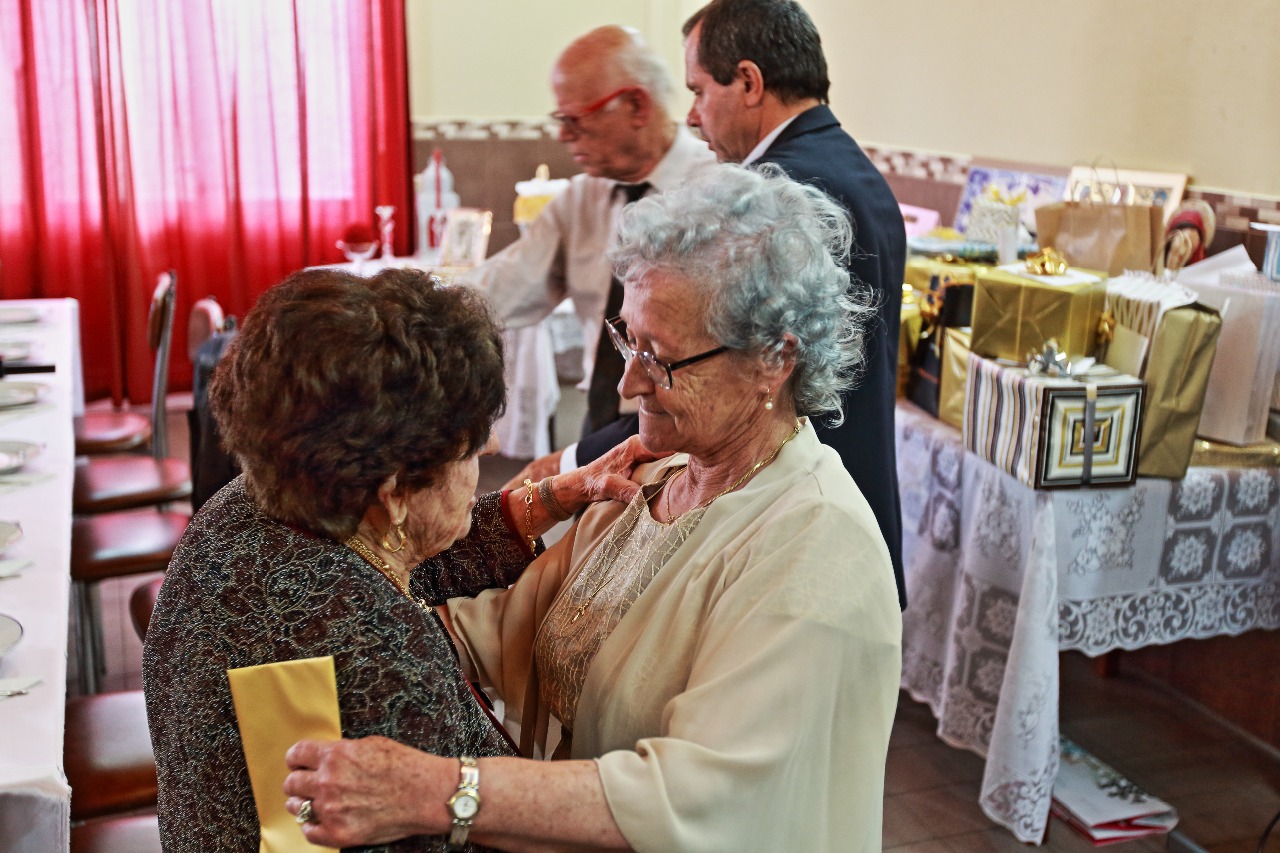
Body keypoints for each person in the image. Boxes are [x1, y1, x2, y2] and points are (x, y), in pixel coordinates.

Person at [283, 164, 903, 852]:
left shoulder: (816, 545)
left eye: (660, 358)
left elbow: (699, 799)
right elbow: (507, 628)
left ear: (772, 362)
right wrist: (346, 636)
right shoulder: (652, 480)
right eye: (627, 340)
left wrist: (436, 791)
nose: (629, 382)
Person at [142, 268, 657, 852]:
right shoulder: (382, 658)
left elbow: (383, 554)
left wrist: (549, 499)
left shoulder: (246, 506)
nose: (491, 448)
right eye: (470, 447)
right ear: (391, 491)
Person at [682, 0, 908, 607]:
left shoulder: (774, 193)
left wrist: (578, 459)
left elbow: (721, 375)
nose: (692, 116)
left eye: (699, 91)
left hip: (797, 522)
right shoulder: (855, 168)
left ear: (749, 82)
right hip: (854, 497)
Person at [459, 24, 714, 474]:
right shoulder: (580, 201)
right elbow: (503, 288)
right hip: (602, 417)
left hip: (687, 428)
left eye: (575, 119)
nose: (563, 135)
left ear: (636, 106)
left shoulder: (720, 191)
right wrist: (406, 304)